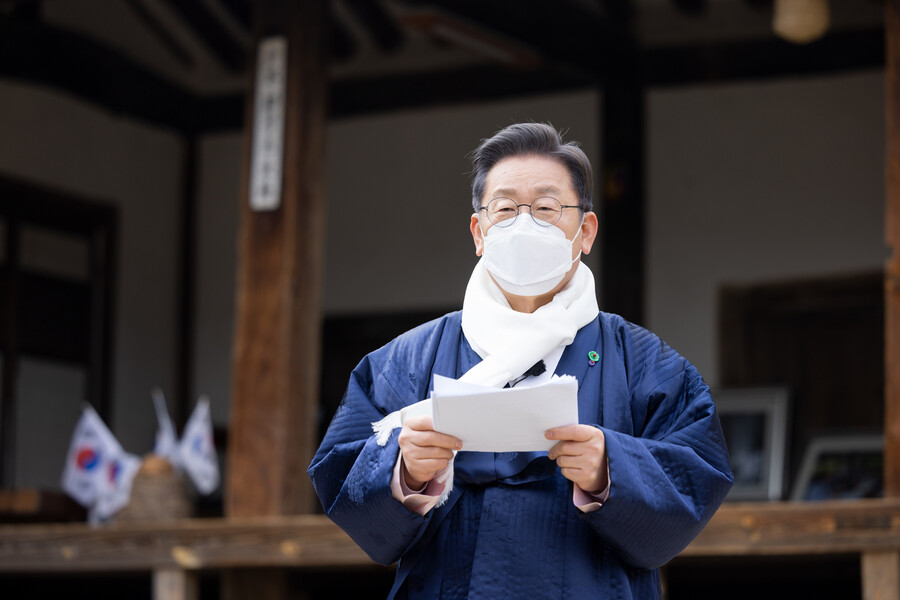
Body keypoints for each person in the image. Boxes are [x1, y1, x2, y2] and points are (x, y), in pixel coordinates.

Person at [308, 123, 733, 599]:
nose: (524, 225)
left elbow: (699, 472)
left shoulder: (646, 363)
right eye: (505, 209)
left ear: (585, 231)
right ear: (478, 232)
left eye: (547, 208)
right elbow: (340, 472)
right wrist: (402, 471)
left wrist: (611, 469)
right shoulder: (405, 359)